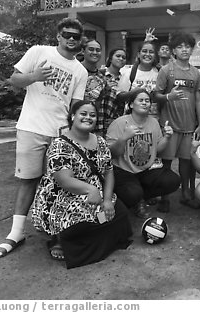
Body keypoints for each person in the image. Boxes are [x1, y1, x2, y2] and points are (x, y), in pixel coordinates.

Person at [0, 17, 88, 259]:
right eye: (67, 34)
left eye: (76, 36)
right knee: (27, 180)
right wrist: (35, 76)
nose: (71, 39)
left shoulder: (80, 71)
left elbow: (75, 107)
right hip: (31, 127)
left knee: (59, 184)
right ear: (58, 36)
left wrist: (73, 134)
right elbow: (14, 80)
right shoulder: (39, 52)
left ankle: (57, 234)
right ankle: (16, 233)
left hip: (59, 133)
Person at [32, 101, 133, 268]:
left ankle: (95, 230)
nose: (88, 117)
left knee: (117, 213)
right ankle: (60, 237)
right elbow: (64, 180)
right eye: (83, 113)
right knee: (85, 222)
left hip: (95, 196)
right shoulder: (60, 145)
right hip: (63, 197)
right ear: (72, 116)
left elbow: (108, 172)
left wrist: (107, 200)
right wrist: (90, 189)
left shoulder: (100, 142)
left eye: (92, 115)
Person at [106, 89, 181, 219]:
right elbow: (113, 154)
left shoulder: (153, 122)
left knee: (173, 180)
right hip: (124, 171)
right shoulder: (119, 123)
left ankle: (142, 197)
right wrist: (124, 138)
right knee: (132, 194)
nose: (145, 103)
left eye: (147, 101)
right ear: (130, 105)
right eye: (141, 100)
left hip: (145, 169)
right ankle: (135, 199)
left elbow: (157, 149)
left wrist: (167, 137)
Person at [155, 32, 200, 209]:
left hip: (189, 125)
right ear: (174, 50)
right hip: (169, 125)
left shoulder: (196, 72)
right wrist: (169, 96)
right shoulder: (166, 70)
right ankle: (164, 197)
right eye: (180, 46)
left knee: (187, 161)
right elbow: (156, 95)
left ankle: (186, 193)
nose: (184, 49)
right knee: (166, 162)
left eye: (187, 46)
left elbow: (198, 98)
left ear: (192, 50)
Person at [96, 47, 128, 137]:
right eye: (118, 56)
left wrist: (116, 119)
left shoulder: (125, 79)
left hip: (113, 124)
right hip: (96, 121)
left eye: (123, 57)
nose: (121, 59)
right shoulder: (100, 74)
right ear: (110, 58)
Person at [81, 38, 106, 102]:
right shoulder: (76, 70)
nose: (95, 52)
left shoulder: (102, 78)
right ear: (83, 51)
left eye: (98, 50)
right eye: (91, 49)